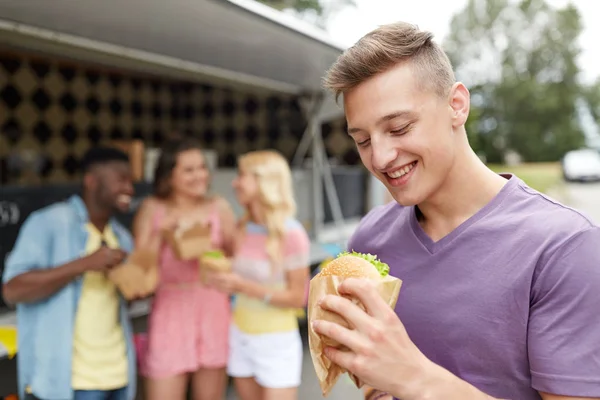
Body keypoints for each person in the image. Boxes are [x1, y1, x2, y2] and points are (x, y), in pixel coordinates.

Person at [311, 21, 600, 400]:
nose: (379, 157)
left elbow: (407, 377)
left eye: (398, 128)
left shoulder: (565, 245)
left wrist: (416, 380)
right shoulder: (370, 239)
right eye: (362, 140)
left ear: (457, 105)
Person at [2, 147, 137, 400]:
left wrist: (137, 284)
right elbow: (13, 289)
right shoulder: (49, 223)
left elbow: (120, 303)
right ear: (91, 180)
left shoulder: (123, 238)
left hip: (119, 376)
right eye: (121, 179)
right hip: (67, 382)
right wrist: (84, 264)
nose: (130, 189)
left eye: (130, 180)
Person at [133, 138, 236, 400]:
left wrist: (220, 264)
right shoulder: (152, 209)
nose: (200, 175)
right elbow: (138, 268)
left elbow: (237, 257)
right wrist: (161, 234)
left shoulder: (219, 207)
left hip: (213, 308)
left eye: (202, 167)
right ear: (168, 176)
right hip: (170, 311)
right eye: (189, 170)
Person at [207, 150, 310, 400]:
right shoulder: (242, 227)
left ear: (264, 181)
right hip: (240, 336)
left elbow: (299, 298)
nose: (235, 183)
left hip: (276, 341)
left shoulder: (291, 234)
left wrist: (243, 286)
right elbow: (239, 270)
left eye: (242, 176)